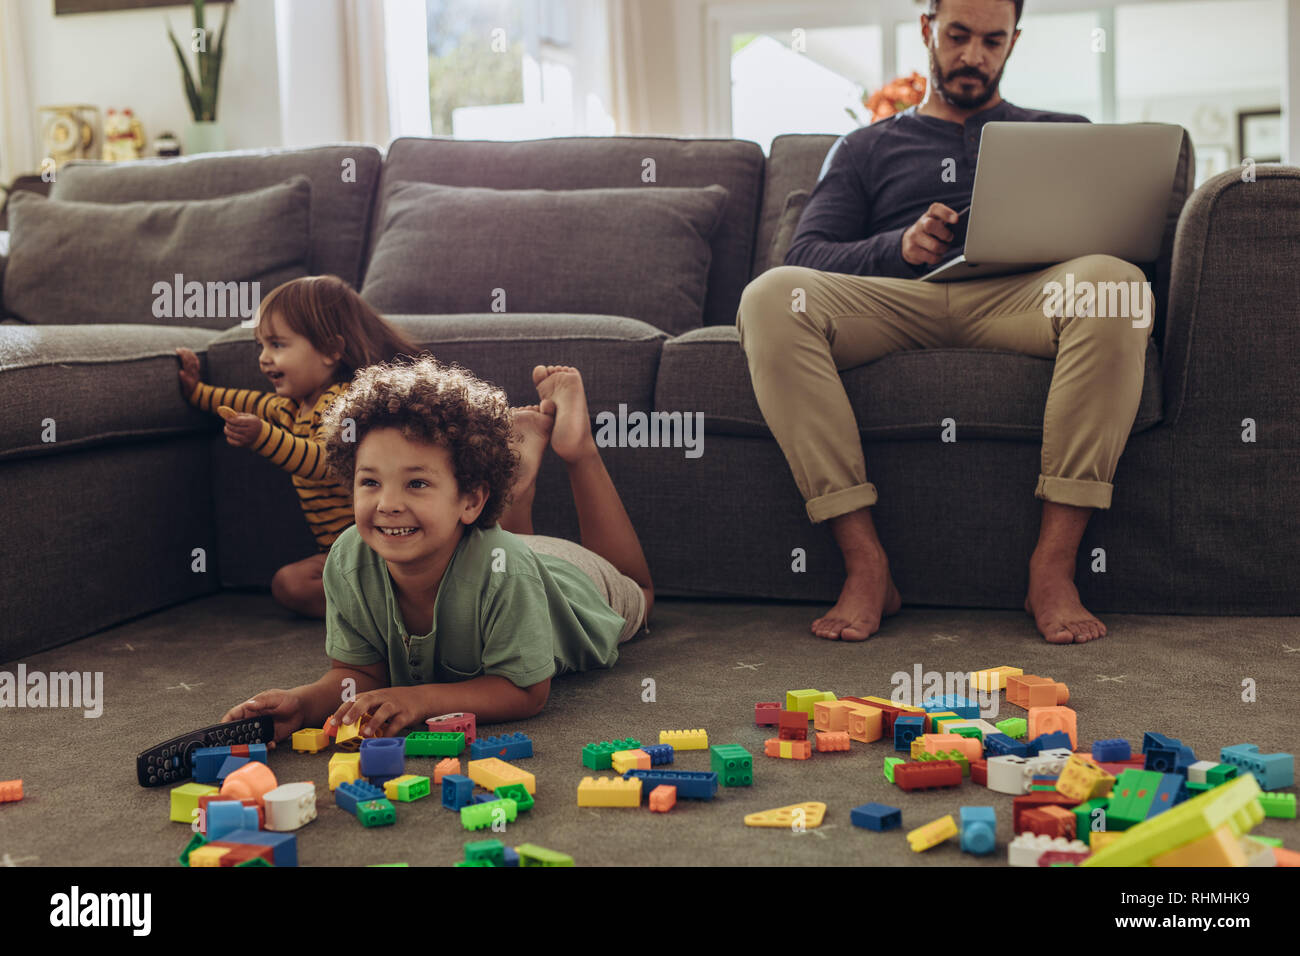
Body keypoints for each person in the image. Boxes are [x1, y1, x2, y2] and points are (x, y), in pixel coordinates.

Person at [736, 0, 1153, 644]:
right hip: (898, 302)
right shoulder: (864, 146)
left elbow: (1117, 243)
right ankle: (865, 563)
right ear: (928, 29)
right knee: (771, 297)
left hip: (1021, 300)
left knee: (1118, 285)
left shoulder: (1063, 133)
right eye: (957, 36)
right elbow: (805, 256)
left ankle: (1053, 566)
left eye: (992, 41)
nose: (972, 56)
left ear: (1014, 41)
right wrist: (896, 247)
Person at [219, 359, 653, 738]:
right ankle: (515, 488)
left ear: (470, 499)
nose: (387, 504)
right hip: (494, 549)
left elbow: (524, 691)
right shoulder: (349, 559)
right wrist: (303, 703)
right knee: (504, 547)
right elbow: (359, 675)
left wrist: (420, 700)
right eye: (370, 482)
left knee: (641, 591)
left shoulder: (509, 572)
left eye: (417, 483)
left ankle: (576, 449)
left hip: (567, 579)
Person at [176, 275, 421, 619]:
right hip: (341, 554)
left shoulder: (347, 403)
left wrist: (262, 437)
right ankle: (378, 613)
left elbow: (325, 462)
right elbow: (242, 400)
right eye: (261, 345)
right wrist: (196, 392)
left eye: (277, 345)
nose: (263, 359)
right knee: (289, 584)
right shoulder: (290, 406)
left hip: (384, 547)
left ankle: (394, 607)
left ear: (331, 350)